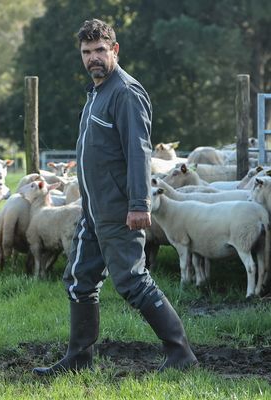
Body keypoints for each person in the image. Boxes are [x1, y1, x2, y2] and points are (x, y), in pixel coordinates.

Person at [32, 19, 197, 376]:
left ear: (114, 50)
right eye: (87, 52)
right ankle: (79, 358)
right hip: (93, 209)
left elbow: (138, 151)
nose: (93, 58)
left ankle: (180, 352)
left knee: (132, 281)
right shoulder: (97, 93)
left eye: (100, 50)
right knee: (79, 279)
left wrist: (139, 205)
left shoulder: (125, 92)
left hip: (120, 209)